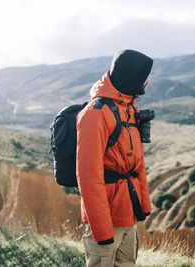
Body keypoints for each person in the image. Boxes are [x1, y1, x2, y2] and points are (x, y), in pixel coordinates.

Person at [76, 49, 153, 267]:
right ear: (131, 77)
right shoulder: (96, 114)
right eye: (144, 76)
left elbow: (137, 166)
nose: (147, 81)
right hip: (106, 216)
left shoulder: (127, 107)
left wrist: (143, 206)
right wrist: (102, 231)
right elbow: (88, 178)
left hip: (128, 211)